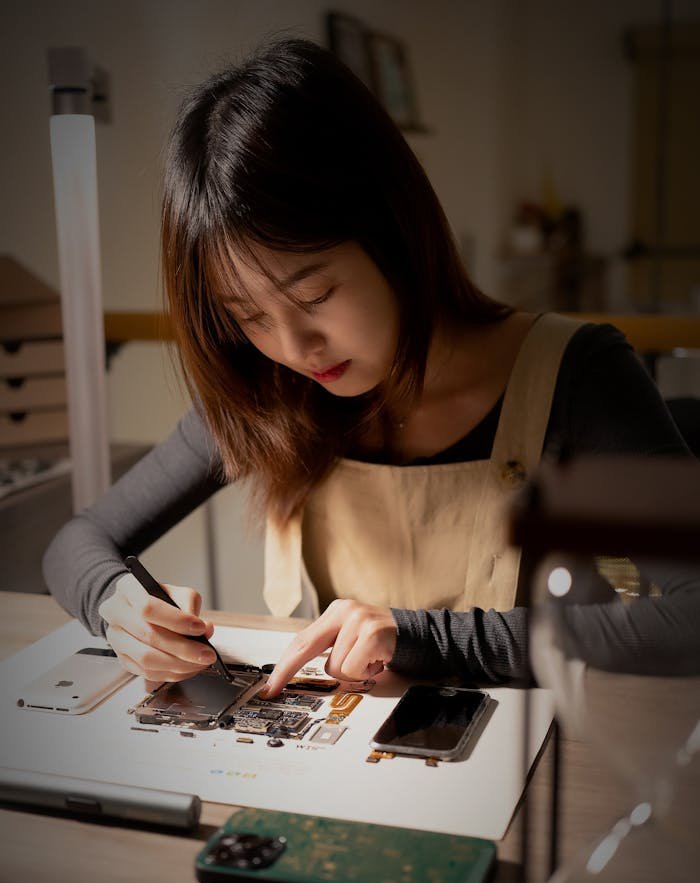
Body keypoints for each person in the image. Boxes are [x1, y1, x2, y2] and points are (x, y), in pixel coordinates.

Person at [43, 38, 690, 696]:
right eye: (249, 316)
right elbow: (78, 542)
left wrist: (426, 636)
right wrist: (116, 604)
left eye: (315, 295)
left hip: (541, 770)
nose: (296, 347)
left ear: (391, 227)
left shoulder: (575, 374)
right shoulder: (267, 390)